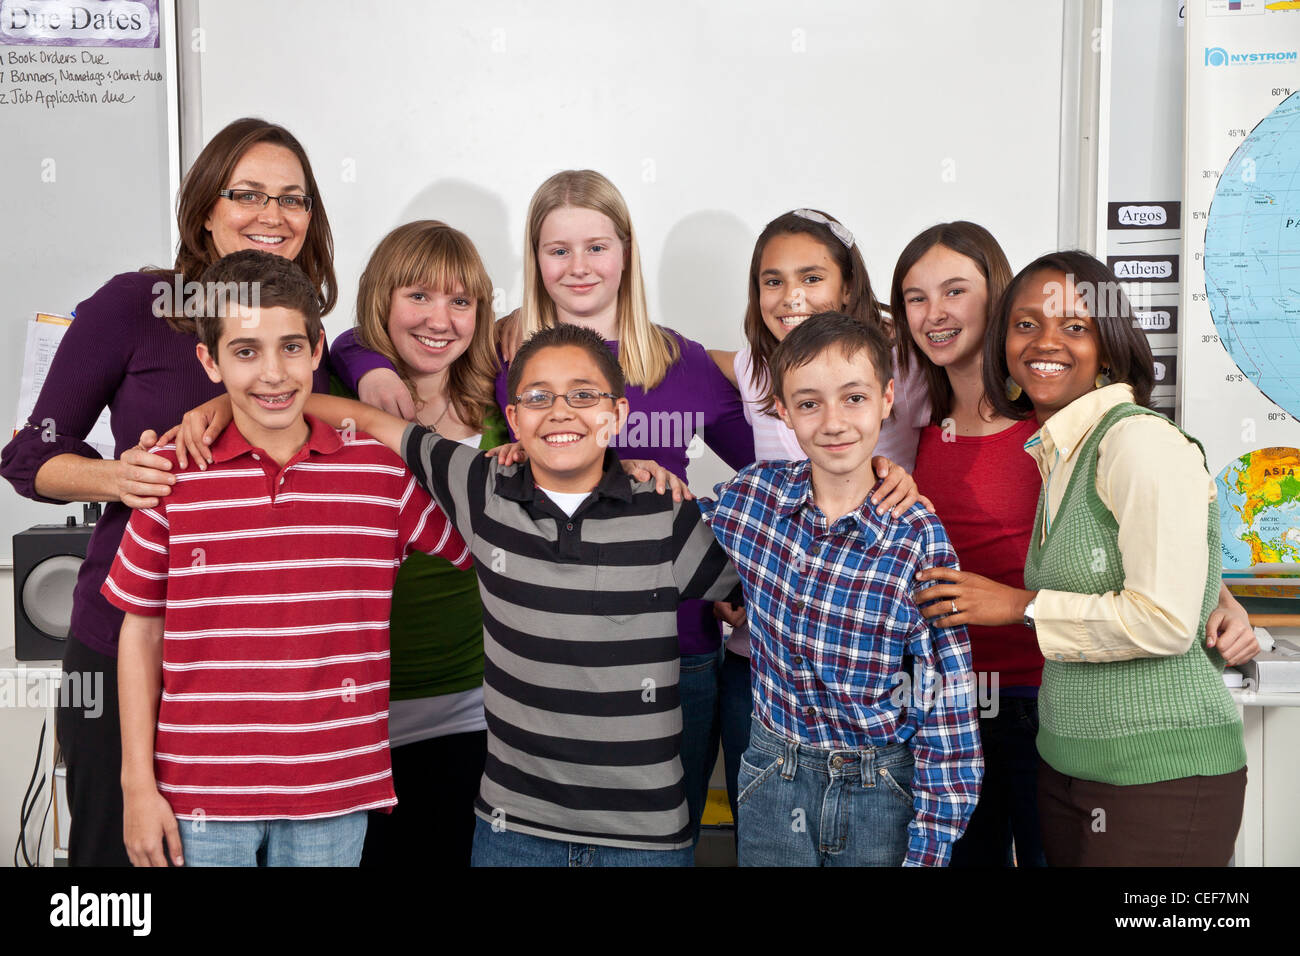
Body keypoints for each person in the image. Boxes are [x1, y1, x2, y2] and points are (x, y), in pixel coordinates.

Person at [328, 170, 758, 845]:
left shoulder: (683, 361)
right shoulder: (502, 350)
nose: (578, 267)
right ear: (533, 260)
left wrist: (722, 548)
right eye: (557, 250)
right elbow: (382, 333)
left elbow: (772, 473)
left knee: (658, 841)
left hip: (675, 650)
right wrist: (368, 366)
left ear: (626, 251)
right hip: (538, 655)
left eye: (596, 247)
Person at [216, 322, 744, 865]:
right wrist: (228, 409)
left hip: (646, 836)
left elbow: (764, 597)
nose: (561, 411)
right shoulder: (482, 490)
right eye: (538, 397)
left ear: (618, 415)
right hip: (514, 830)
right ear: (513, 419)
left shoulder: (668, 515)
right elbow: (372, 421)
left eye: (583, 395)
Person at [0, 117, 336, 866]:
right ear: (205, 210)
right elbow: (31, 457)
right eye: (247, 194)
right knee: (119, 867)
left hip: (253, 668)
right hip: (127, 642)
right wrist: (117, 477)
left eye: (293, 199)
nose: (272, 215)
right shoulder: (134, 306)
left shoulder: (299, 328)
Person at [107, 250, 470, 867]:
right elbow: (141, 631)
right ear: (210, 361)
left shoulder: (379, 477)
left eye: (291, 348)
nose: (273, 373)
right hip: (200, 796)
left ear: (318, 347)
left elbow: (488, 546)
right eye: (246, 352)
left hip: (335, 789)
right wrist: (136, 785)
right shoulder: (170, 477)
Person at [921, 251, 1253, 866]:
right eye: (1025, 325)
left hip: (1159, 774)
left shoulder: (1137, 440)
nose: (1046, 342)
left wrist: (1019, 606)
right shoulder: (1059, 453)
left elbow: (1166, 619)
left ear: (1109, 346)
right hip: (1070, 765)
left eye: (1075, 326)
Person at [699, 312, 983, 866]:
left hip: (881, 789)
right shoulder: (752, 499)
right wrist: (632, 469)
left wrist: (928, 849)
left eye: (854, 398)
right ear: (782, 412)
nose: (833, 422)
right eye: (808, 403)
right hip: (774, 777)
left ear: (886, 398)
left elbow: (947, 702)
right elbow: (668, 540)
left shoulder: (918, 536)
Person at [704, 207, 932, 831]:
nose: (790, 296)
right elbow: (677, 353)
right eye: (772, 281)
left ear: (848, 286)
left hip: (867, 664)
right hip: (764, 661)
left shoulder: (901, 367)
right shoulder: (758, 369)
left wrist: (912, 483)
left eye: (811, 277)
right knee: (768, 822)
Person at [337, 221, 506, 867]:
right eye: (419, 296)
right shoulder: (330, 400)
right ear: (381, 298)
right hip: (356, 714)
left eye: (461, 301)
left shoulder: (501, 411)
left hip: (472, 708)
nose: (441, 319)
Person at [891, 221, 1045, 867]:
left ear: (998, 297)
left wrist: (1218, 595)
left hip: (1048, 695)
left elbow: (1145, 526)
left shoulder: (1050, 419)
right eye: (916, 297)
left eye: (955, 291)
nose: (934, 313)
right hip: (946, 701)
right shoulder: (904, 428)